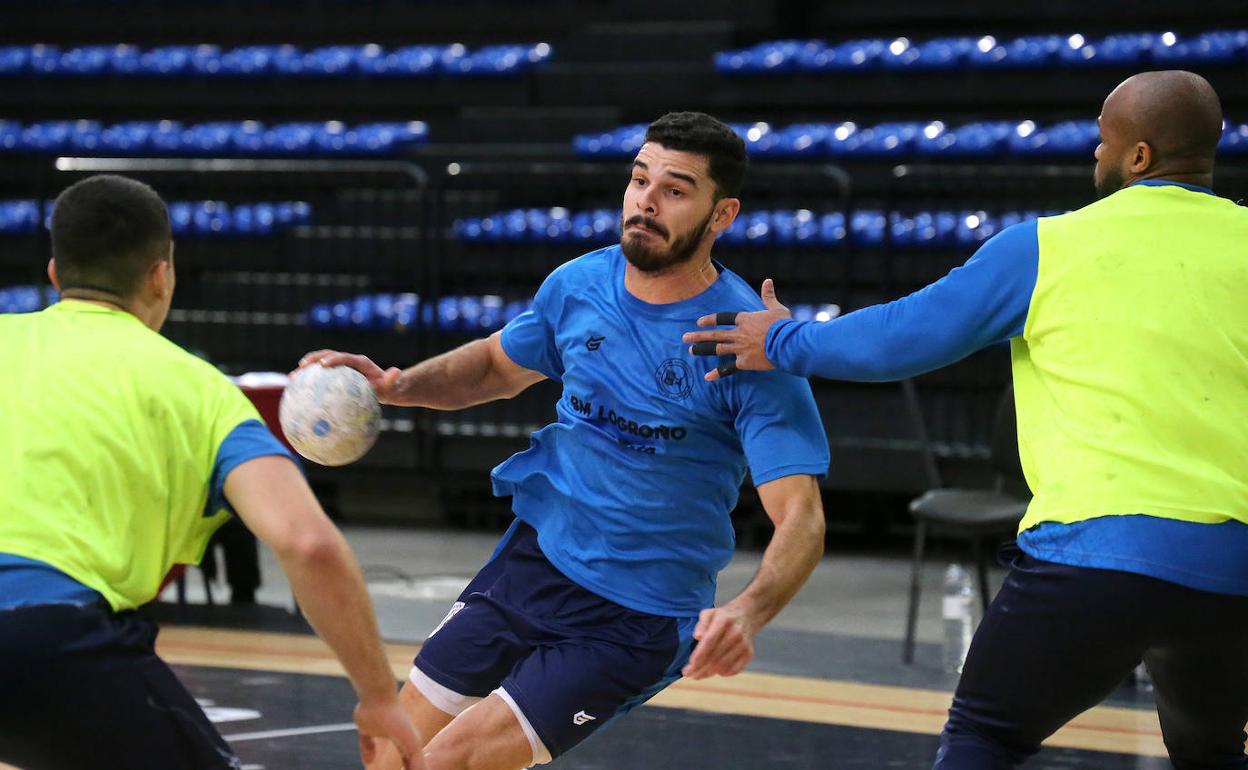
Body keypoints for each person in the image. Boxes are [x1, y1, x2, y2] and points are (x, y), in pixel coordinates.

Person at [683, 70, 1248, 768]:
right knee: (1213, 750)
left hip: (1099, 557)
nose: (1093, 158)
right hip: (1233, 569)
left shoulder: (1048, 246)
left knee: (984, 737)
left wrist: (780, 339)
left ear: (1138, 157)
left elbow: (902, 338)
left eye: (1104, 143)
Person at [300, 111, 831, 770]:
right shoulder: (579, 284)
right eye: (640, 180)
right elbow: (496, 366)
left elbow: (800, 516)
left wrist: (748, 612)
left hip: (635, 615)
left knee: (449, 761)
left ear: (721, 215)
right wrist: (395, 384)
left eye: (675, 189)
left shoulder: (744, 344)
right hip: (533, 563)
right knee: (394, 752)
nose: (646, 201)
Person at [0, 175, 425, 770]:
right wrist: (380, 696)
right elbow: (306, 542)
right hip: (50, 636)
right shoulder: (199, 389)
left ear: (54, 274)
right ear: (161, 275)